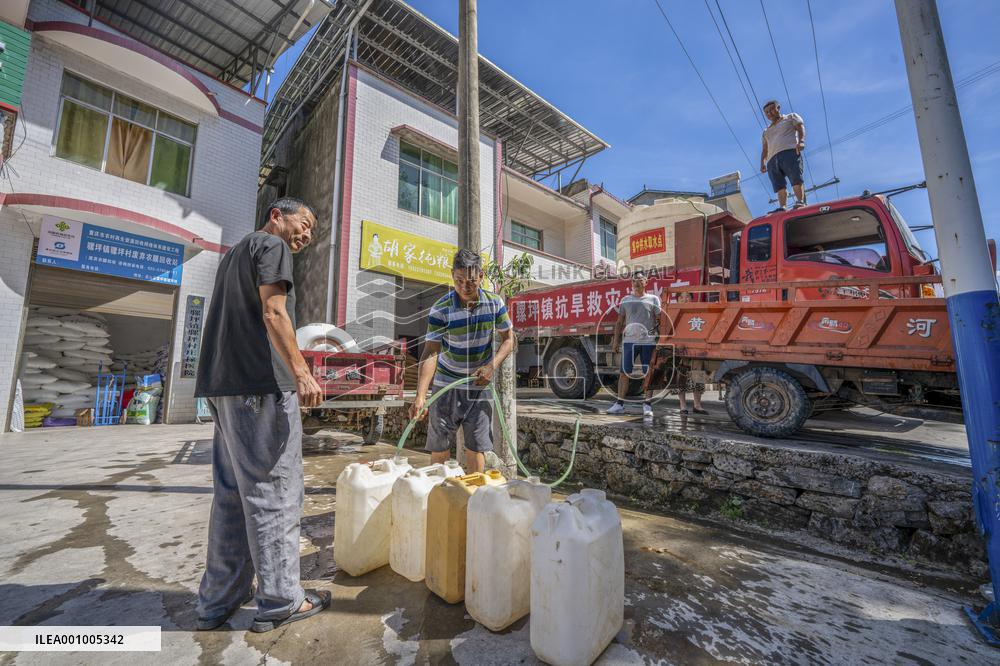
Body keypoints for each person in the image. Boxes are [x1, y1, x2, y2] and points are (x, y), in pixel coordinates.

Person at [194, 197, 328, 634]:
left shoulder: (234, 254)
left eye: (311, 231)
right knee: (275, 492)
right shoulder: (272, 248)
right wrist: (302, 372)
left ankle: (218, 600)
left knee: (233, 496)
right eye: (302, 224)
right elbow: (273, 312)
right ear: (276, 215)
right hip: (259, 387)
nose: (305, 234)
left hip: (223, 388)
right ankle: (281, 600)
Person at [409, 249, 514, 474]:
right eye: (458, 281)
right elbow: (430, 352)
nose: (464, 287)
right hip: (445, 387)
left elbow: (508, 340)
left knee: (476, 448)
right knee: (439, 446)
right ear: (452, 276)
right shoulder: (441, 308)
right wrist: (420, 396)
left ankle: (473, 498)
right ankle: (439, 495)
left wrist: (491, 366)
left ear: (482, 277)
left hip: (478, 387)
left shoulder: (495, 304)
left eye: (471, 281)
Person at [607, 270, 661, 419]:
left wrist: (661, 340)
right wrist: (616, 341)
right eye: (633, 280)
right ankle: (619, 404)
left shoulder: (653, 299)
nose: (636, 282)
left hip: (648, 342)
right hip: (629, 341)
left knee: (647, 373)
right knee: (624, 373)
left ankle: (647, 405)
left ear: (646, 282)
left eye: (639, 279)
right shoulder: (625, 300)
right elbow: (619, 322)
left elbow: (660, 320)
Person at [760, 100, 807, 211]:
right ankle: (783, 207)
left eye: (771, 109)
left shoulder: (790, 117)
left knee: (795, 178)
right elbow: (765, 148)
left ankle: (800, 201)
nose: (769, 113)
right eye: (766, 112)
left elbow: (800, 127)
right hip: (772, 159)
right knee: (779, 185)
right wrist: (762, 162)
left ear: (778, 108)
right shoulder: (766, 131)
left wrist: (801, 141)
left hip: (789, 152)